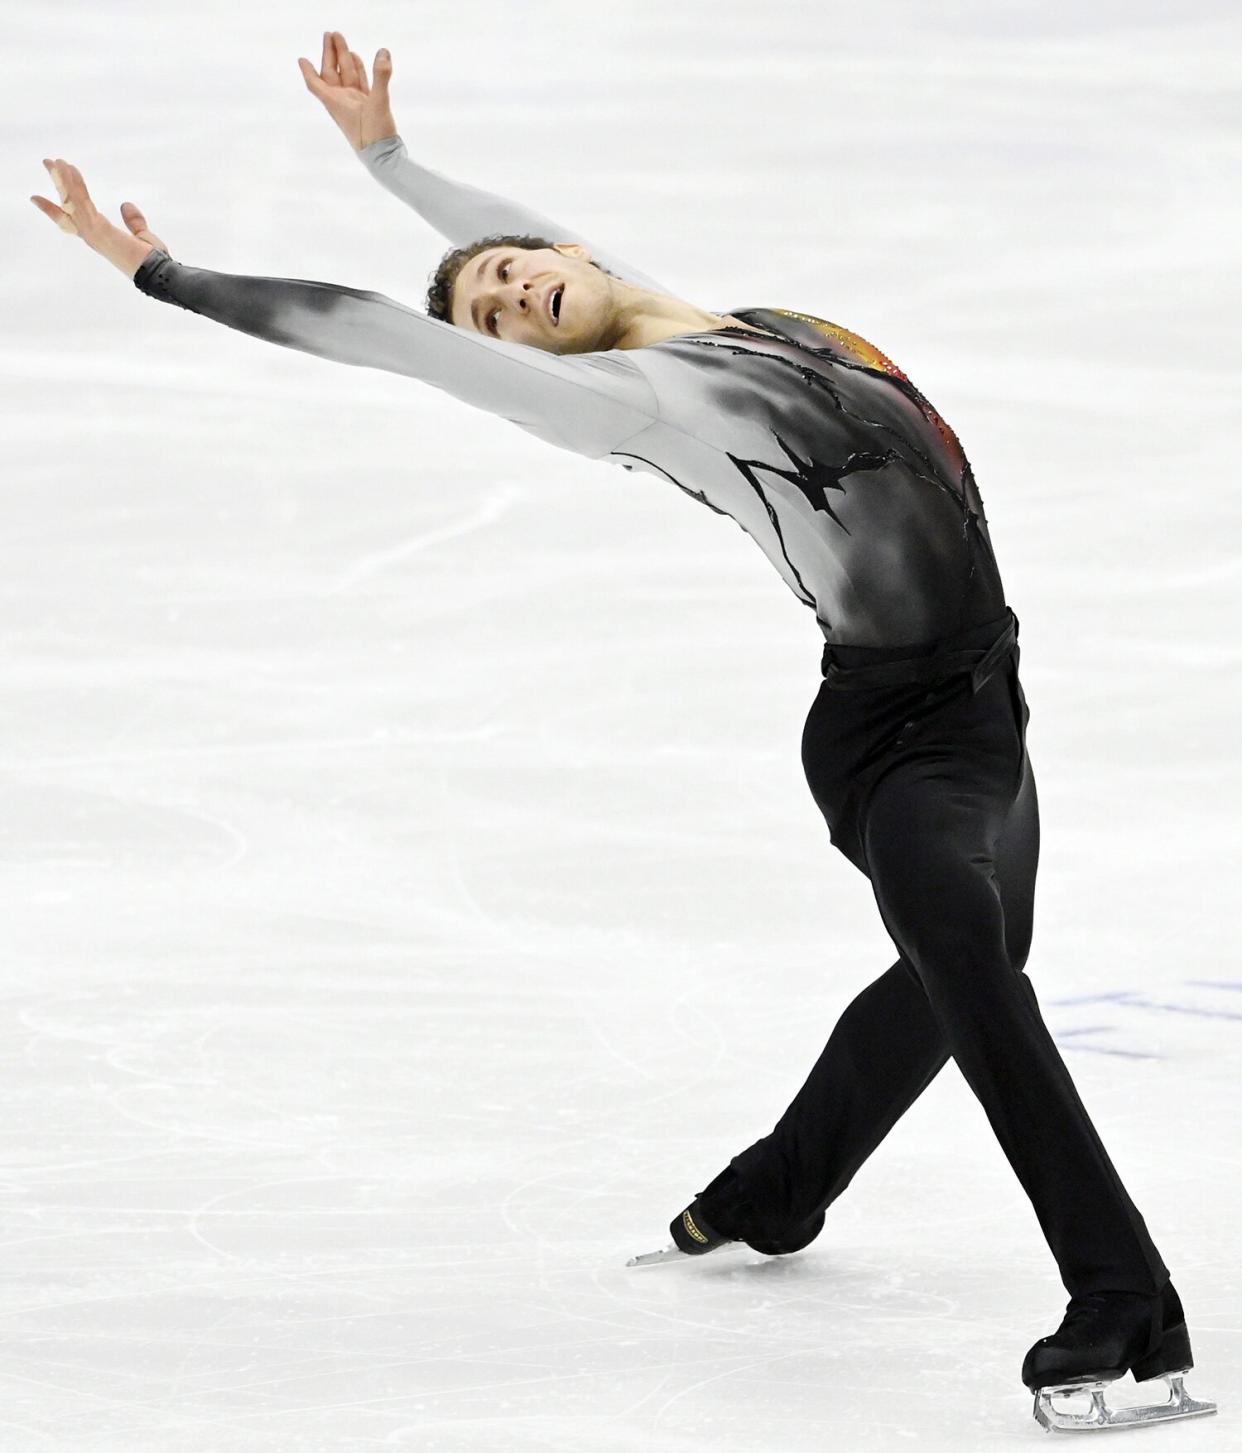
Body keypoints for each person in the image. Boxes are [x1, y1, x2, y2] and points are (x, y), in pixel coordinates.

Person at [31, 30, 1215, 1434]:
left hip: (987, 695)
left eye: (518, 272)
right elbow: (381, 325)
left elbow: (513, 242)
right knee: (968, 961)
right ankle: (1117, 1296)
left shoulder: (686, 311)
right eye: (498, 317)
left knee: (969, 959)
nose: (516, 294)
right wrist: (166, 274)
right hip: (894, 736)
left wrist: (386, 159)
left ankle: (777, 1188)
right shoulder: (622, 400)